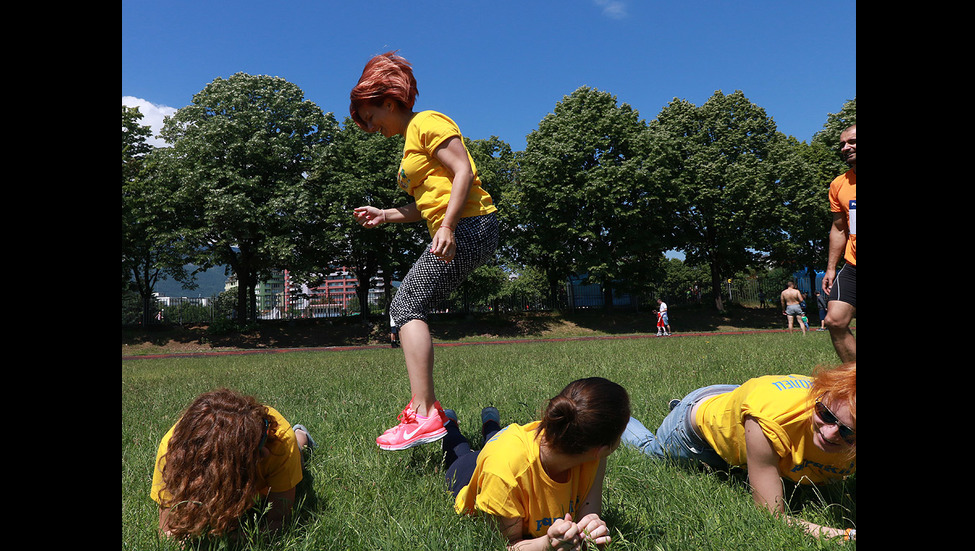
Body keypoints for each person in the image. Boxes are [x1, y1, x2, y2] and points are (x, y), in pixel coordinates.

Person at [350, 51, 499, 451]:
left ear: (389, 100)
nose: (369, 126)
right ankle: (427, 410)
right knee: (408, 306)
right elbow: (429, 203)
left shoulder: (427, 122)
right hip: (459, 225)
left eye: (370, 116)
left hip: (470, 224)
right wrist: (385, 214)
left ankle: (424, 412)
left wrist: (449, 225)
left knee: (406, 307)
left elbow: (464, 170)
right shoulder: (409, 143)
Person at [623, 363, 856, 542]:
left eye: (848, 433)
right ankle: (621, 420)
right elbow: (771, 515)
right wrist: (846, 536)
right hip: (694, 435)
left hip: (740, 400)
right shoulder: (769, 420)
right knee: (650, 453)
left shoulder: (832, 408)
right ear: (821, 396)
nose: (829, 432)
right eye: (825, 415)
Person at [443, 378, 631, 551]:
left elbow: (587, 516)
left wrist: (590, 530)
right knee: (460, 451)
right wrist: (547, 544)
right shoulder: (504, 475)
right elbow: (506, 545)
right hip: (468, 474)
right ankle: (450, 423)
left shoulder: (591, 454)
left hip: (509, 450)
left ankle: (491, 423)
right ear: (604, 448)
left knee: (494, 440)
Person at [151, 388, 316, 541]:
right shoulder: (172, 453)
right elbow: (167, 531)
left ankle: (301, 435)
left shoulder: (279, 441)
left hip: (282, 451)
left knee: (297, 454)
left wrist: (238, 539)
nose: (264, 452)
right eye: (254, 448)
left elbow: (279, 521)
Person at [821, 125, 856, 362]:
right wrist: (831, 267)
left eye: (852, 141)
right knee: (834, 319)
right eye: (842, 144)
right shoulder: (839, 185)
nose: (845, 148)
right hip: (853, 264)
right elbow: (839, 228)